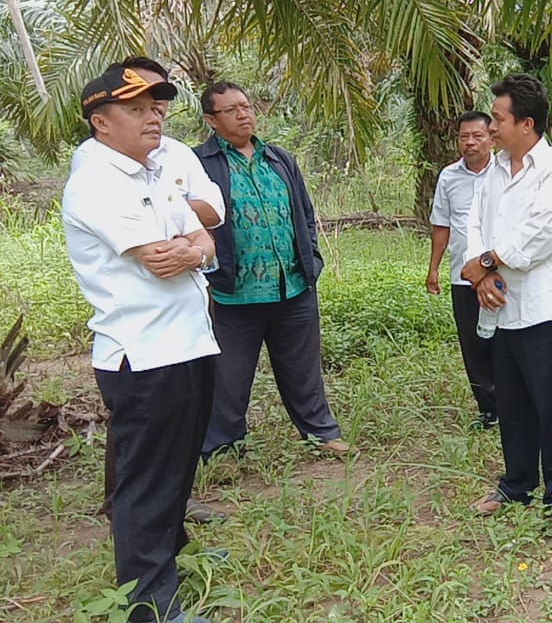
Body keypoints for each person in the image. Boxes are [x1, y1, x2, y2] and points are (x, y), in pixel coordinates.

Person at [63, 66, 220, 623]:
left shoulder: (154, 171)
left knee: (177, 466)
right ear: (101, 123)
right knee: (146, 479)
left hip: (186, 341)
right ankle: (150, 606)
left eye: (157, 106)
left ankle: (166, 561)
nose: (154, 116)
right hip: (143, 351)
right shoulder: (96, 181)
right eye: (137, 109)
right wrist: (191, 246)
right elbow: (157, 259)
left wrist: (192, 246)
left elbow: (202, 234)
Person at [193, 82, 349, 458]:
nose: (244, 114)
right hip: (232, 290)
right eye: (231, 110)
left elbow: (305, 215)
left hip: (292, 285)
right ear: (212, 120)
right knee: (228, 375)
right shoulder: (200, 163)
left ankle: (321, 433)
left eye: (246, 106)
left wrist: (310, 257)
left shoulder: (279, 158)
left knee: (303, 369)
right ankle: (223, 446)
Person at [461, 73, 552, 514]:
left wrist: (489, 263)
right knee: (512, 402)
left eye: (497, 119)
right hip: (498, 303)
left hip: (540, 304)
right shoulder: (493, 170)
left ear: (526, 124)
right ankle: (517, 483)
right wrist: (479, 274)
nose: (491, 128)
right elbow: (475, 222)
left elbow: (541, 236)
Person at [427, 111, 499, 429]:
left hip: (499, 274)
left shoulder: (506, 172)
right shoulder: (449, 177)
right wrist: (433, 269)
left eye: (477, 136)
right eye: (463, 136)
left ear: (492, 138)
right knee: (472, 344)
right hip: (462, 275)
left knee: (502, 339)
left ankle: (513, 403)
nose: (469, 143)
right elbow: (441, 225)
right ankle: (489, 408)